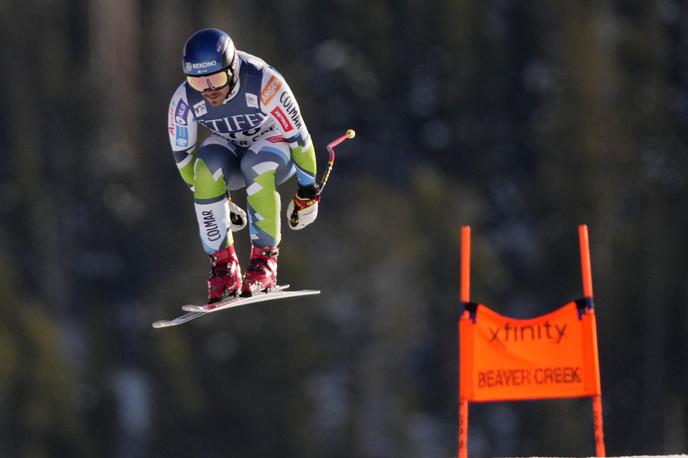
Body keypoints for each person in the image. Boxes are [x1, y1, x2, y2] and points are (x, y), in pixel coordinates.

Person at [167, 28, 320, 301]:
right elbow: (184, 160)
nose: (209, 91)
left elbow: (300, 140)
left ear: (233, 68)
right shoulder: (184, 100)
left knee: (257, 165)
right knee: (205, 168)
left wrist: (307, 192)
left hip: (275, 146)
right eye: (197, 82)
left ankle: (265, 261)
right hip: (233, 147)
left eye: (216, 79)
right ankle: (224, 266)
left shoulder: (264, 82)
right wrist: (217, 202)